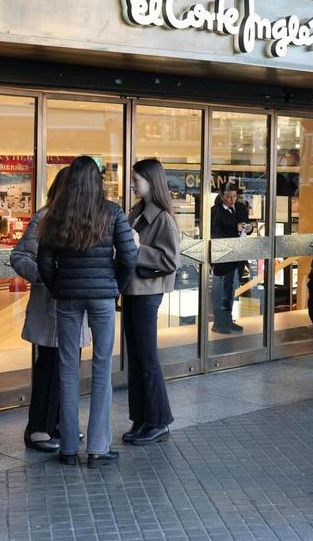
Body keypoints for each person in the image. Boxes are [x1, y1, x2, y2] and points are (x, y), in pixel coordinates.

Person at [39, 156, 137, 468]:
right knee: (102, 368)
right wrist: (115, 286)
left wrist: (59, 286)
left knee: (68, 369)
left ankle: (68, 448)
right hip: (102, 299)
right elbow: (129, 256)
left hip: (67, 297)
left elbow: (44, 260)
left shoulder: (56, 214)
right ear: (98, 182)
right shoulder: (113, 212)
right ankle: (97, 448)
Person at [122, 159, 180, 446]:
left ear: (151, 180)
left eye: (136, 179)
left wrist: (137, 248)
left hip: (147, 292)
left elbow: (171, 260)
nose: (132, 183)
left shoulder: (163, 218)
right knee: (136, 358)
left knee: (147, 358)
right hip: (132, 290)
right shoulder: (137, 211)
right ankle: (142, 418)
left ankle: (158, 421)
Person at [10, 170, 68, 454]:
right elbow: (19, 255)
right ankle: (38, 428)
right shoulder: (44, 218)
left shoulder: (80, 221)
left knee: (64, 368)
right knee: (49, 366)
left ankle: (58, 424)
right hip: (49, 307)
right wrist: (45, 275)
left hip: (71, 308)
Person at [210, 182, 250, 334]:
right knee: (221, 290)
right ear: (222, 197)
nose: (232, 199)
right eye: (229, 197)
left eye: (234, 196)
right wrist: (235, 228)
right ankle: (219, 323)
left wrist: (249, 228)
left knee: (232, 288)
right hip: (222, 256)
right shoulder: (215, 211)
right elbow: (214, 233)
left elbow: (247, 225)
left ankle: (227, 320)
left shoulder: (240, 207)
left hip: (237, 255)